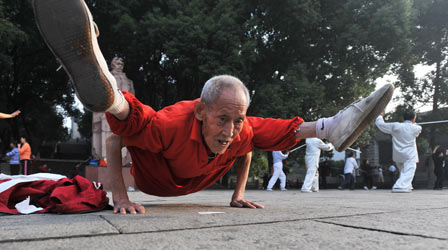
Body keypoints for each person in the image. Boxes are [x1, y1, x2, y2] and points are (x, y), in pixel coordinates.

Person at [32, 0, 394, 214]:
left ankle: (330, 126)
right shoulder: (174, 124)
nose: (230, 131)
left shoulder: (238, 130)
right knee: (140, 124)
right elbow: (113, 141)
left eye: (235, 119)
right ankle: (110, 93)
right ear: (201, 112)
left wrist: (238, 195)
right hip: (156, 177)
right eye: (222, 119)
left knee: (258, 130)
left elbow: (247, 147)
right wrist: (120, 198)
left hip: (192, 177)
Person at [375, 111, 422, 193]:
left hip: (398, 154)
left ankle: (407, 185)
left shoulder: (396, 126)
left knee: (404, 171)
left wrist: (380, 116)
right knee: (409, 170)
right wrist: (413, 123)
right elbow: (417, 132)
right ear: (413, 119)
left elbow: (380, 124)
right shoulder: (417, 128)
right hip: (409, 154)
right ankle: (399, 186)